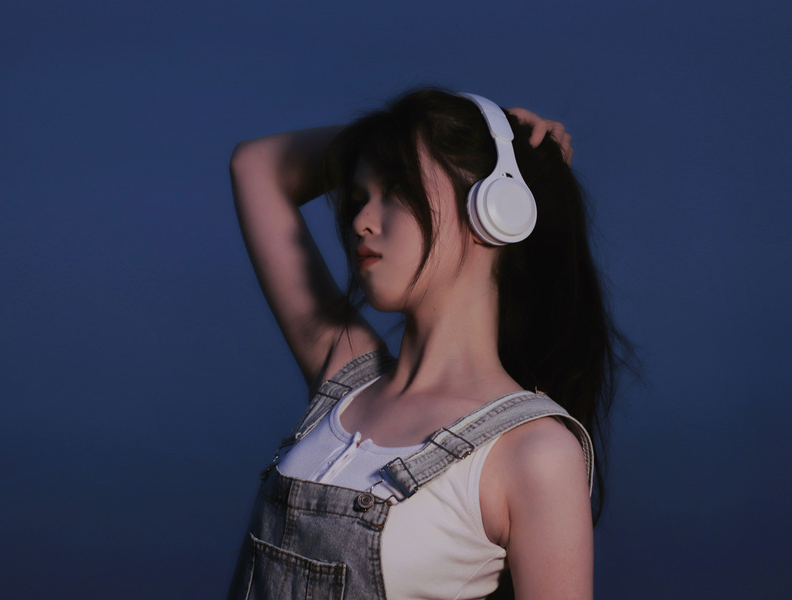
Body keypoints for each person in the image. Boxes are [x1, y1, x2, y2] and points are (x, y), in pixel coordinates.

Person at [226, 88, 626, 600]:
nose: (361, 221)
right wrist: (402, 137)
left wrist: (501, 147)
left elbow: (256, 166)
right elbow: (255, 165)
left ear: (495, 209)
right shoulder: (344, 380)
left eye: (396, 189)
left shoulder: (535, 452)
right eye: (359, 196)